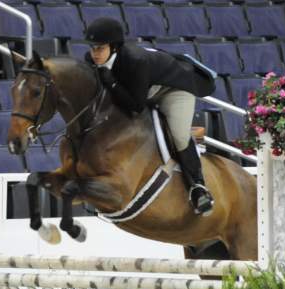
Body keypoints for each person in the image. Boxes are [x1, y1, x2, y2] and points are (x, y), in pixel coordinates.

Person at [84, 17, 216, 216]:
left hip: (174, 89)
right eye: (93, 48)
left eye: (100, 49)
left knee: (179, 135)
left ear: (114, 48)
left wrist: (111, 82)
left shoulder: (135, 60)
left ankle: (198, 186)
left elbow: (136, 106)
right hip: (145, 90)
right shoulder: (93, 59)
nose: (95, 54)